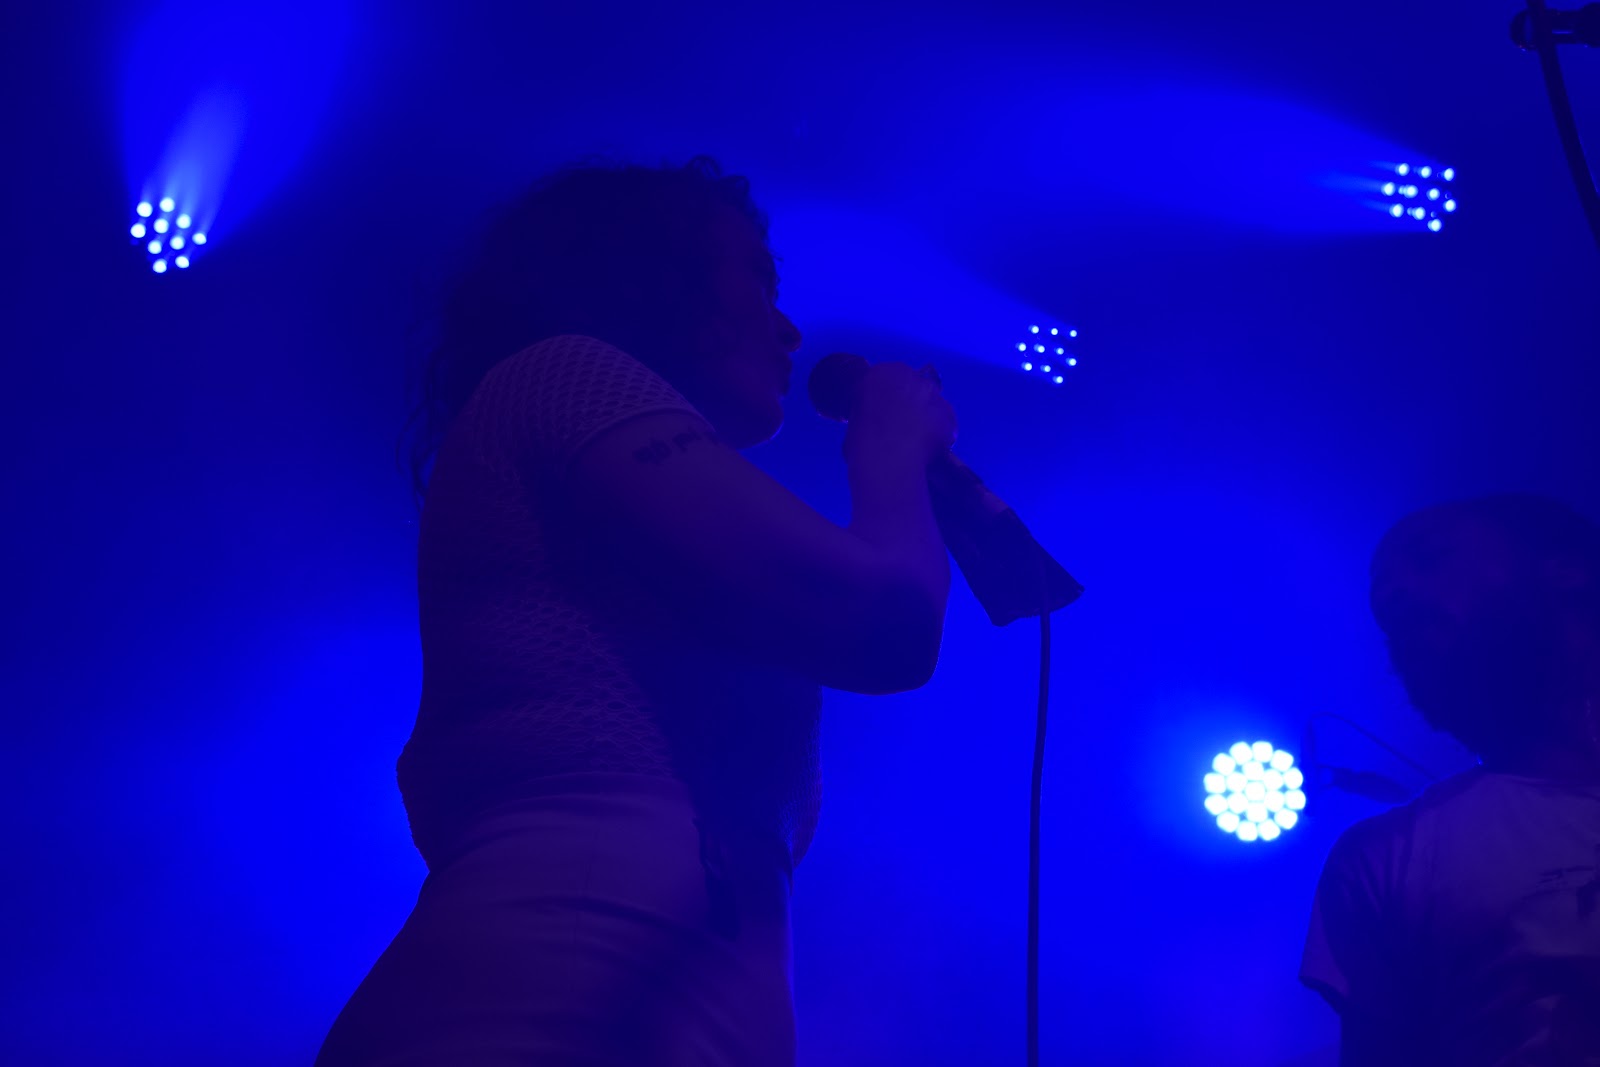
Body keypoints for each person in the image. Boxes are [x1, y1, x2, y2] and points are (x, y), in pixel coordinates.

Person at [313, 156, 955, 1066]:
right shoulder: (567, 376)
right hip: (540, 997)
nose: (788, 328)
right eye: (757, 281)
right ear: (652, 274)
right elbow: (886, 622)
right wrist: (889, 447)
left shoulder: (663, 527)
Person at [1301, 493, 1600, 1066]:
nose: (1393, 600)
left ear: (1566, 569)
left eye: (1432, 557)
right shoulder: (1384, 861)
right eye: (1385, 608)